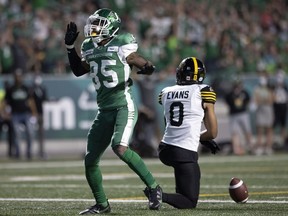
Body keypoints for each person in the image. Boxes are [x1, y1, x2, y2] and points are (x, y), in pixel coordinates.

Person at [64, 8, 162, 214]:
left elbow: (137, 59)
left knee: (120, 147)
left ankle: (154, 188)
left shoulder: (122, 43)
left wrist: (148, 67)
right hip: (104, 110)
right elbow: (78, 70)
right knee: (90, 160)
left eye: (99, 23)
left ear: (111, 27)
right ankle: (102, 204)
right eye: (94, 22)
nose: (94, 27)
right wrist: (69, 46)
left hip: (123, 106)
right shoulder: (89, 46)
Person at [155, 57, 220, 209]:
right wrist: (203, 138)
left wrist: (197, 138)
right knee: (189, 201)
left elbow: (172, 126)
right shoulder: (203, 90)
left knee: (182, 191)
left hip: (165, 149)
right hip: (184, 152)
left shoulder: (165, 91)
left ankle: (162, 194)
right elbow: (212, 133)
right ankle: (157, 194)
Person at [4, 69, 37, 159]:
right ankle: (18, 153)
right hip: (15, 114)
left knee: (30, 133)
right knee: (17, 134)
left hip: (26, 114)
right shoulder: (11, 89)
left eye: (19, 76)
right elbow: (5, 102)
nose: (18, 78)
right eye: (17, 76)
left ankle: (29, 152)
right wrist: (4, 112)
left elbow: (31, 101)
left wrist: (34, 112)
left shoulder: (25, 88)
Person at [225, 79, 253, 155]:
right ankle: (236, 149)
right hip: (234, 114)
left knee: (247, 130)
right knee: (234, 132)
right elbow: (227, 102)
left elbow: (248, 100)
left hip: (243, 113)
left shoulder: (244, 93)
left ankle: (250, 147)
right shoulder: (230, 94)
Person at [253, 72, 274, 155]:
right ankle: (260, 147)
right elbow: (256, 100)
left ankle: (268, 147)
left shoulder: (269, 88)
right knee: (260, 130)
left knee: (269, 129)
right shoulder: (257, 88)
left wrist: (263, 100)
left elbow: (271, 100)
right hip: (260, 110)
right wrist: (264, 100)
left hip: (268, 110)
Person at [31, 75, 48, 159]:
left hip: (40, 113)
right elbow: (30, 101)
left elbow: (45, 99)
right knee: (31, 133)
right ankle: (30, 151)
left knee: (41, 134)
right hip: (33, 114)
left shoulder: (42, 89)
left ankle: (41, 151)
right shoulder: (32, 90)